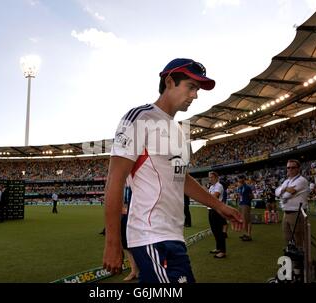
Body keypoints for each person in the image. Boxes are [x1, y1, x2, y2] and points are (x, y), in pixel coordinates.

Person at [103, 58, 243, 283]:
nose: (195, 95)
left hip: (173, 237)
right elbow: (114, 180)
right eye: (191, 86)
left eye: (197, 89)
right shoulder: (140, 117)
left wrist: (217, 205)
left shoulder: (178, 131)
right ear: (169, 81)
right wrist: (113, 242)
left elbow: (180, 178)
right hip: (151, 237)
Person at [275, 159, 310, 249]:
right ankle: (292, 259)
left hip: (296, 213)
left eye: (293, 167)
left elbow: (286, 195)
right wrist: (285, 189)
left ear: (298, 169)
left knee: (299, 240)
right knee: (288, 239)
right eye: (288, 168)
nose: (290, 169)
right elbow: (277, 192)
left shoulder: (301, 180)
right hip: (286, 213)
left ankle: (301, 261)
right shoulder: (287, 181)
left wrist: (283, 190)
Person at [121, 183, 139, 281]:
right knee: (126, 245)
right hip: (125, 216)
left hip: (138, 215)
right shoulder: (123, 180)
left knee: (139, 243)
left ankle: (141, 269)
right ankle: (134, 271)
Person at [208, 171, 227, 258]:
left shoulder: (219, 186)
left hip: (217, 210)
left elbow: (214, 196)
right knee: (215, 231)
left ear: (216, 178)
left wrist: (205, 195)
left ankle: (223, 251)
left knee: (219, 231)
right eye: (209, 177)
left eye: (211, 177)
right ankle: (218, 248)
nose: (210, 179)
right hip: (211, 210)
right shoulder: (211, 187)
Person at [237, 175, 254, 241]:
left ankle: (248, 235)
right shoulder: (239, 187)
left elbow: (252, 196)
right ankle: (246, 234)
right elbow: (239, 196)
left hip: (246, 204)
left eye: (240, 178)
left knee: (247, 220)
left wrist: (247, 201)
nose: (239, 180)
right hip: (241, 204)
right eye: (239, 178)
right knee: (244, 220)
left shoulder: (247, 187)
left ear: (243, 179)